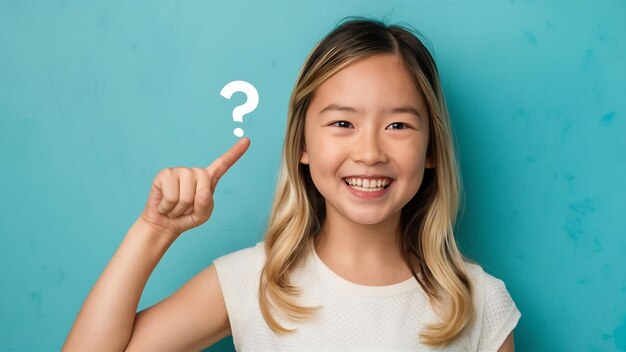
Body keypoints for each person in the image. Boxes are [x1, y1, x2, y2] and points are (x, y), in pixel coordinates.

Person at [63, 17, 521, 351]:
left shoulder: (479, 302)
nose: (369, 152)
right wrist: (154, 230)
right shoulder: (253, 282)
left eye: (398, 126)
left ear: (431, 152)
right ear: (302, 145)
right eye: (342, 123)